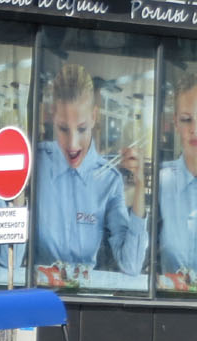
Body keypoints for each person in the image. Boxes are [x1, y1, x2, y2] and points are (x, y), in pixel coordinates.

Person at [36, 62, 148, 277]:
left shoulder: (108, 180)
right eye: (63, 129)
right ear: (52, 116)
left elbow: (131, 264)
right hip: (40, 298)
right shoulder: (37, 162)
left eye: (82, 128)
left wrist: (140, 183)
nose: (72, 144)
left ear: (94, 117)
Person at [158, 72, 197, 278]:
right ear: (175, 123)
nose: (195, 129)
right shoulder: (162, 182)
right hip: (168, 304)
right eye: (186, 119)